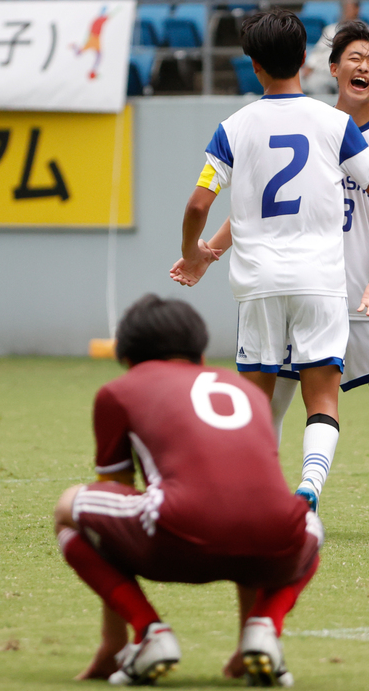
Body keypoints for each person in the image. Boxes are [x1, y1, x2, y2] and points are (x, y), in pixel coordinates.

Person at [173, 9, 369, 515]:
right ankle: (297, 491)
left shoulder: (241, 127)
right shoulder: (331, 125)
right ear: (321, 63)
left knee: (360, 401)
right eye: (355, 56)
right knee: (307, 399)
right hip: (318, 284)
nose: (364, 65)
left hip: (302, 289)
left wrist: (197, 253)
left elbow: (205, 203)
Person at [53, 294, 323, 686]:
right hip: (273, 542)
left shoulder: (118, 391)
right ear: (198, 352)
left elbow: (113, 493)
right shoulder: (245, 390)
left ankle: (148, 633)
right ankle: (262, 629)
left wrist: (112, 643)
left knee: (69, 509)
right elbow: (248, 496)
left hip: (177, 538)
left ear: (128, 357)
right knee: (309, 527)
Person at [301, 0, 360, 95]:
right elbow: (318, 50)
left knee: (316, 84)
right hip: (317, 71)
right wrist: (309, 66)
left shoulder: (363, 31)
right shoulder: (330, 29)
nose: (346, 11)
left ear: (357, 10)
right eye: (344, 8)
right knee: (295, 78)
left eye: (349, 8)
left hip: (335, 74)